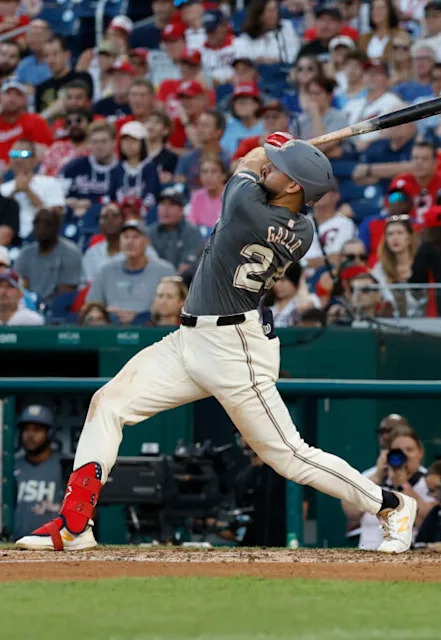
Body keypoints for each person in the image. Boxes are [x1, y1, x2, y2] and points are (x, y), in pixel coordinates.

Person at [16, 129, 418, 553]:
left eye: (280, 170)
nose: (270, 168)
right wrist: (291, 157)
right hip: (190, 338)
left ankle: (390, 504)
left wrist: (278, 149)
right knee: (108, 403)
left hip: (234, 350)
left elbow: (248, 161)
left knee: (289, 456)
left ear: (296, 186)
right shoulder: (302, 228)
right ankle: (75, 524)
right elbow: (269, 172)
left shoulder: (248, 206)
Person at [342, 425, 435, 550]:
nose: (404, 455)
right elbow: (351, 512)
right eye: (398, 451)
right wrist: (377, 477)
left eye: (409, 450)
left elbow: (429, 521)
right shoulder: (371, 477)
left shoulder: (428, 482)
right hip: (368, 553)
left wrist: (402, 483)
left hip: (409, 557)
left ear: (420, 452)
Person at [85, 219, 177, 324]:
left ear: (146, 242)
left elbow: (176, 307)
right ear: (120, 242)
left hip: (151, 329)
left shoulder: (165, 271)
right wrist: (106, 314)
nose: (130, 242)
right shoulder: (106, 271)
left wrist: (140, 317)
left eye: (135, 237)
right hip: (112, 330)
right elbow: (91, 306)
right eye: (125, 237)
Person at [12, 405, 64, 541]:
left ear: (49, 433)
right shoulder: (13, 466)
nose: (30, 435)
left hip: (56, 543)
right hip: (18, 544)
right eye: (26, 429)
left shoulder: (64, 465)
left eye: (37, 430)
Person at [12, 208, 82, 301]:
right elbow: (20, 285)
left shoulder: (71, 252)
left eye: (47, 223)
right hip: (29, 305)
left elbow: (66, 291)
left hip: (56, 307)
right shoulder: (26, 253)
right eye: (36, 223)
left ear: (57, 227)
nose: (41, 227)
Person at [2, 140, 66, 242]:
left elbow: (56, 215)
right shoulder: (3, 188)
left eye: (24, 154)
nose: (18, 159)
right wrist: (13, 192)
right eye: (14, 154)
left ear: (35, 159)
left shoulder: (51, 182)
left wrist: (28, 191)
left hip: (41, 238)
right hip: (10, 240)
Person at [387, 140, 441, 221]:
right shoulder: (400, 182)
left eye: (424, 159)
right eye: (415, 158)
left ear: (435, 163)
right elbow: (393, 212)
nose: (419, 163)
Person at [149, 187, 205, 279]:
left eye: (171, 205)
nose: (166, 209)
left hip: (183, 285)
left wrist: (170, 285)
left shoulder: (192, 232)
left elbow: (187, 266)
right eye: (162, 204)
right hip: (154, 283)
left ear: (181, 210)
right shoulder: (150, 233)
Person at [34, 36, 93, 119]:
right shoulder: (41, 87)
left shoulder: (82, 77)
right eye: (46, 55)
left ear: (67, 55)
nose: (50, 60)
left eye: (55, 54)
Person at [370, 216, 416, 316]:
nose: (395, 238)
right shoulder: (379, 270)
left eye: (400, 233)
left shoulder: (420, 266)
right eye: (390, 234)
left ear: (409, 238)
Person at [175, 110, 229, 191]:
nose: (200, 129)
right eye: (199, 125)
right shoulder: (186, 159)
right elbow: (178, 187)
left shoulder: (227, 160)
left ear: (218, 132)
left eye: (206, 126)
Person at [234, 0, 300, 65]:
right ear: (260, 15)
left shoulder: (286, 27)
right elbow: (242, 61)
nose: (275, 13)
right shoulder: (245, 38)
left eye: (276, 9)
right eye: (271, 11)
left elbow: (295, 54)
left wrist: (276, 60)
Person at [188, 155, 228, 228]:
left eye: (214, 171)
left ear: (223, 175)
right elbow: (191, 226)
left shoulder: (231, 196)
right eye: (204, 172)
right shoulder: (197, 196)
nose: (208, 176)